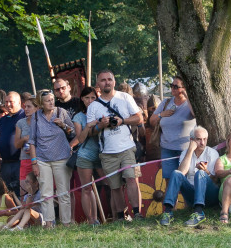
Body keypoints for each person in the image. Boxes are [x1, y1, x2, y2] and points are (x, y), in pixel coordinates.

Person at [86, 70, 144, 220]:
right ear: (98, 84)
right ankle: (120, 216)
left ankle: (137, 213)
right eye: (103, 80)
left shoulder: (125, 97)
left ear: (114, 81)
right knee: (115, 186)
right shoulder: (93, 106)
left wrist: (121, 121)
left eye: (109, 79)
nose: (107, 82)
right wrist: (101, 125)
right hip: (107, 152)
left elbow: (139, 118)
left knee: (131, 180)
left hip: (127, 148)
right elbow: (90, 131)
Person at [30, 88, 76, 227]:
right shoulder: (36, 116)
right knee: (46, 193)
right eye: (47, 101)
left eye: (52, 99)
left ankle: (66, 223)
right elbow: (32, 141)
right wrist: (34, 163)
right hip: (43, 159)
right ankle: (49, 223)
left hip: (61, 157)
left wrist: (63, 125)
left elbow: (72, 132)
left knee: (63, 192)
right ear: (41, 103)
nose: (51, 102)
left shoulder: (61, 112)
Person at [158, 126, 220, 227]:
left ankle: (199, 213)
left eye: (205, 139)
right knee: (175, 173)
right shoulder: (185, 153)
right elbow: (181, 172)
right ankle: (168, 212)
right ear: (192, 140)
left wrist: (205, 171)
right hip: (192, 194)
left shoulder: (212, 153)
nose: (202, 143)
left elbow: (216, 180)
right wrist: (190, 150)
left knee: (200, 174)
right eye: (199, 139)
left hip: (209, 194)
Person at [149, 76, 196, 181]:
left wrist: (187, 97)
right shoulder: (166, 102)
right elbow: (151, 121)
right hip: (167, 148)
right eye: (172, 85)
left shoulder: (189, 103)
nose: (173, 88)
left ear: (184, 88)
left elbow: (195, 114)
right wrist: (162, 114)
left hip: (185, 150)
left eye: (176, 86)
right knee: (169, 182)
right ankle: (172, 198)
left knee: (186, 180)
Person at [71, 87, 103, 224]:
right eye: (87, 98)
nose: (90, 101)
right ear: (82, 99)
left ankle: (117, 215)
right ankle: (92, 220)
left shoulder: (102, 112)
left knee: (111, 183)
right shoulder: (78, 117)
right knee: (86, 188)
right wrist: (88, 126)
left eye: (93, 98)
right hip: (85, 155)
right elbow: (81, 139)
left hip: (103, 153)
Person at [0, 92, 24, 193]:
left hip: (20, 162)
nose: (7, 104)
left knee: (20, 192)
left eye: (11, 102)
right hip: (5, 163)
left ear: (19, 102)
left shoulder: (25, 116)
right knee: (6, 193)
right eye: (6, 102)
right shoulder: (2, 120)